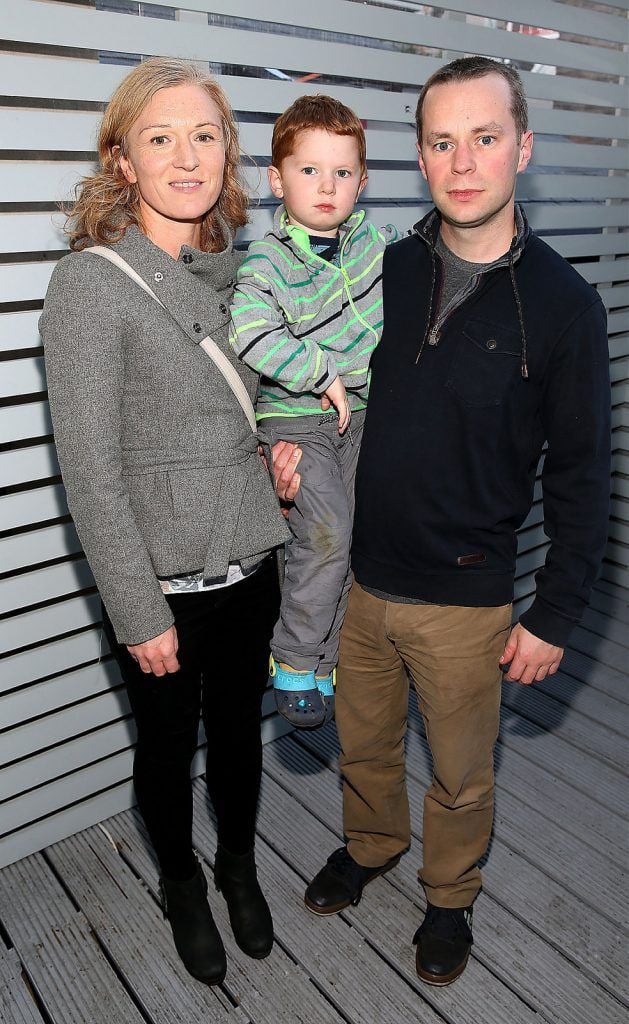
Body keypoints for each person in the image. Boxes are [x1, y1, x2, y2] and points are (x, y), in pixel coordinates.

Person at [304, 56, 611, 986]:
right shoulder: (380, 269)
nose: (463, 161)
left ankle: (448, 895)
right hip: (360, 580)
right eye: (442, 142)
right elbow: (318, 377)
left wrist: (555, 612)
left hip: (468, 600)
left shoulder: (565, 306)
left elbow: (584, 473)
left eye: (484, 137)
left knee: (461, 775)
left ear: (522, 148)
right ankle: (371, 845)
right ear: (421, 156)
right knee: (360, 746)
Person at [40, 58, 295, 987]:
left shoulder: (244, 273)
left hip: (251, 561)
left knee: (238, 734)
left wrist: (283, 445)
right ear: (122, 159)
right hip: (162, 587)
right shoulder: (90, 286)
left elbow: (253, 404)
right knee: (165, 746)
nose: (186, 156)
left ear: (227, 153)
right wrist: (137, 609)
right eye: (160, 138)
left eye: (204, 134)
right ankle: (181, 879)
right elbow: (91, 473)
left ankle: (236, 864)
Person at [230, 95, 389, 728]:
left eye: (342, 173)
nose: (327, 187)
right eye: (308, 171)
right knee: (323, 535)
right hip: (296, 420)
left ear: (363, 180)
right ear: (276, 179)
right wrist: (319, 370)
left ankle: (327, 660)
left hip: (362, 421)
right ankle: (294, 658)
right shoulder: (268, 258)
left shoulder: (373, 247)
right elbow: (248, 331)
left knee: (353, 538)